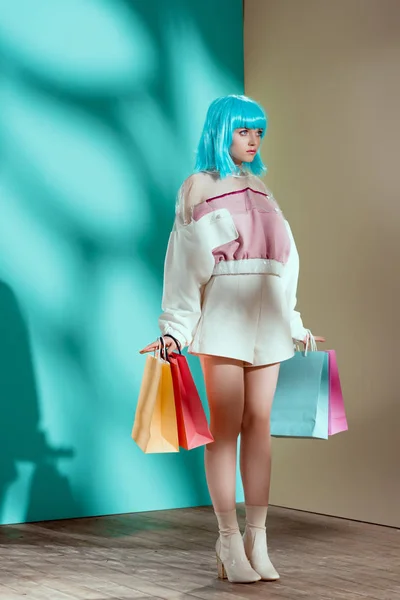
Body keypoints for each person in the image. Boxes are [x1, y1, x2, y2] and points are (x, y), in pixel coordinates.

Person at [140, 94, 325, 584]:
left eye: (259, 132)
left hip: (268, 323)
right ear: (221, 131)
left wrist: (295, 323)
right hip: (223, 319)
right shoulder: (197, 187)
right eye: (244, 131)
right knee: (226, 430)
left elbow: (285, 264)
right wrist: (174, 331)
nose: (253, 140)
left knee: (259, 424)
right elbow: (184, 266)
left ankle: (257, 538)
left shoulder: (262, 189)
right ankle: (227, 539)